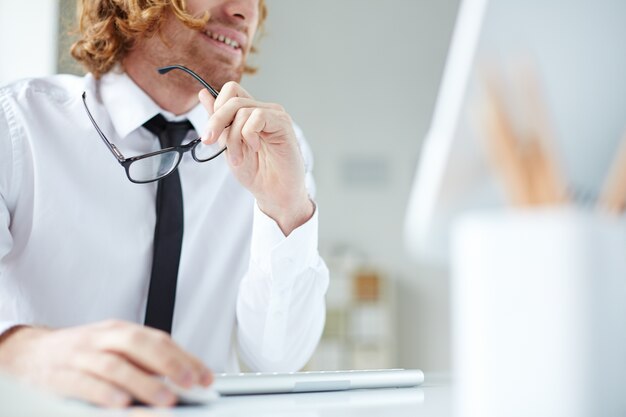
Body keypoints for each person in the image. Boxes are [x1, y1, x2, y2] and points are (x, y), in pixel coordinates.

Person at [0, 0, 329, 408]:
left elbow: (279, 359)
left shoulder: (274, 149)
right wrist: (23, 352)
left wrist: (285, 209)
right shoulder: (15, 125)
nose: (245, 11)